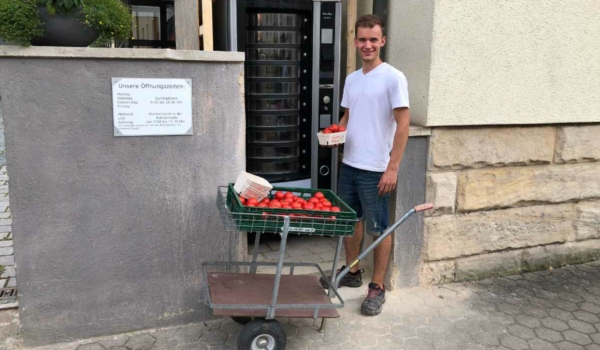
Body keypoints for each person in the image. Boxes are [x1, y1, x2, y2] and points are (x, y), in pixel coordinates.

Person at [320, 14, 410, 316]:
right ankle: (354, 271)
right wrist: (335, 133)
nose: (367, 45)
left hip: (376, 169)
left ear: (382, 41)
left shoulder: (394, 77)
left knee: (379, 229)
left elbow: (403, 125)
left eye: (373, 39)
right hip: (350, 164)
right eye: (362, 39)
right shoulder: (352, 79)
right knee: (349, 223)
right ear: (355, 41)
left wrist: (392, 167)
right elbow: (349, 117)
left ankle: (378, 286)